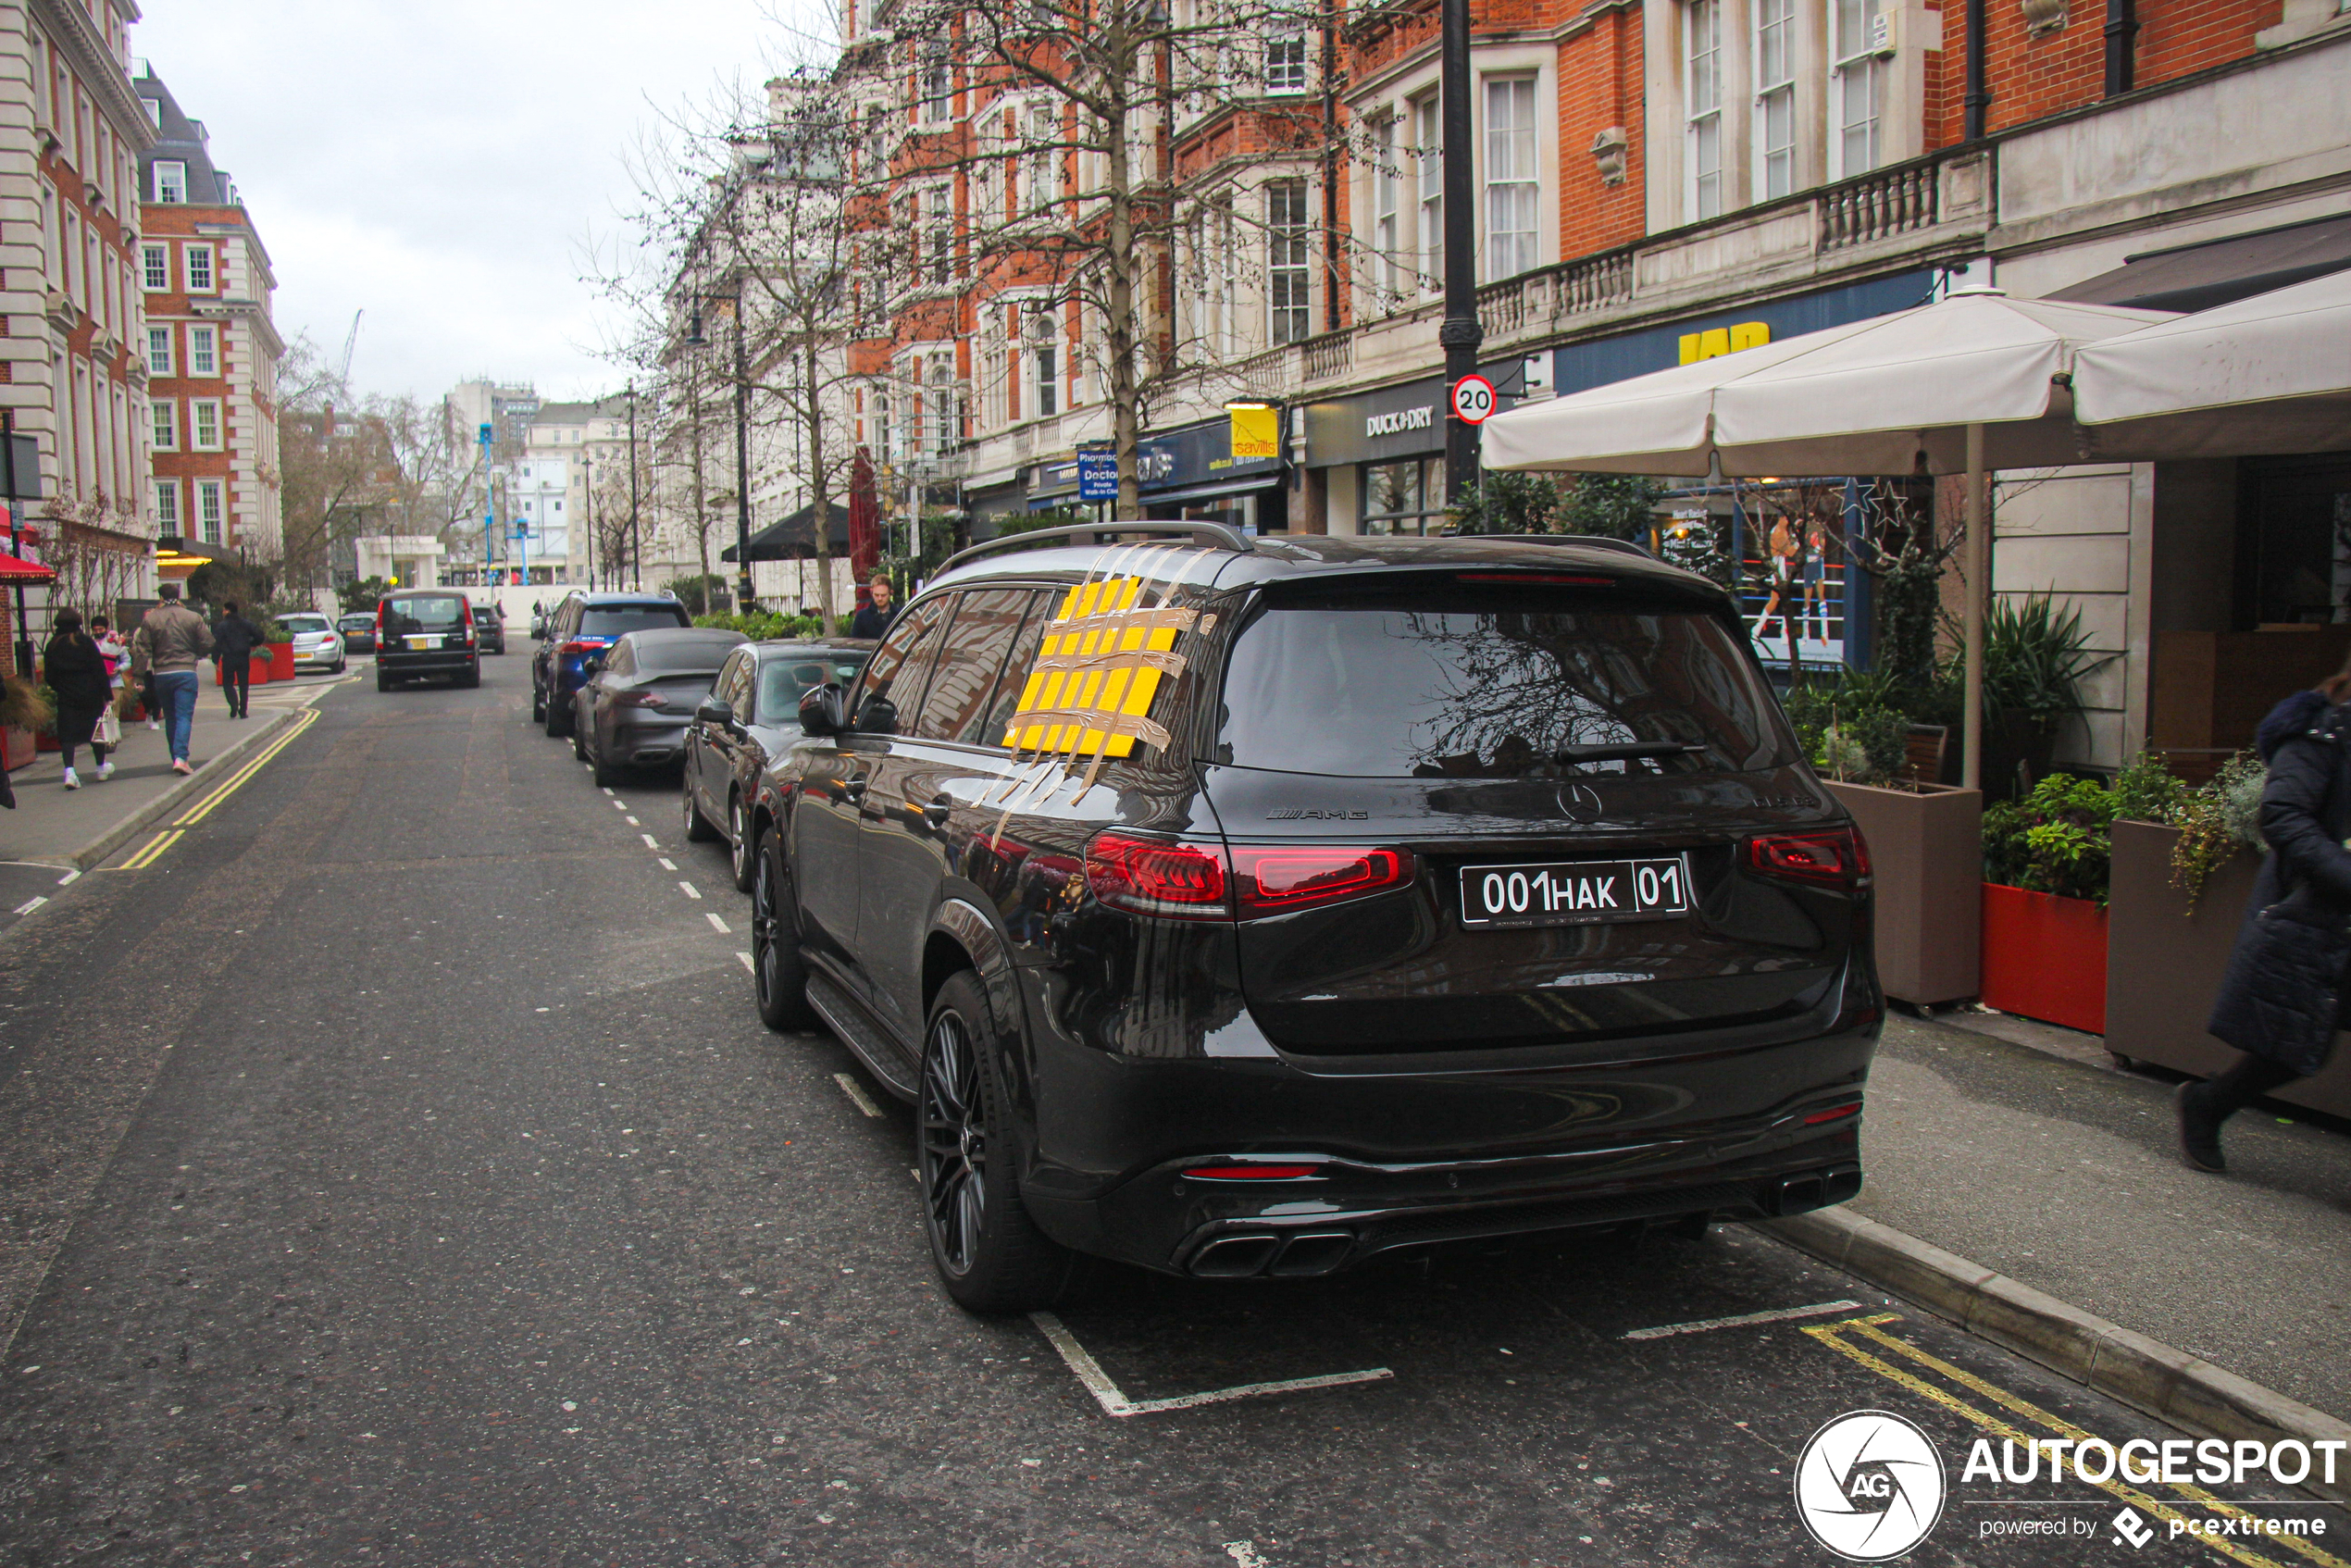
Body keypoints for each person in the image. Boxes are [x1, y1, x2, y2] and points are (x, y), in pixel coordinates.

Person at [2177, 666, 2351, 1172]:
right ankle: (2208, 1104)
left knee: (2301, 1038)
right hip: (2319, 915)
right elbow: (2283, 816)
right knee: (2291, 1046)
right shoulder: (2322, 733)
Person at [131, 583, 212, 775]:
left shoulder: (151, 619)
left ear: (160, 597)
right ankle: (181, 757)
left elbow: (141, 650)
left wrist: (139, 676)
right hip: (186, 671)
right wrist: (196, 654)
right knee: (184, 715)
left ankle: (174, 756)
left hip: (162, 674)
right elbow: (208, 642)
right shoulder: (192, 617)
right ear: (179, 595)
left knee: (171, 717)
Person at [44, 608, 113, 788]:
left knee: (67, 735)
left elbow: (49, 676)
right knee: (95, 731)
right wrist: (107, 694)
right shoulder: (85, 642)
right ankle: (100, 768)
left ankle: (70, 772)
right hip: (90, 693)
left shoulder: (52, 645)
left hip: (67, 695)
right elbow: (99, 669)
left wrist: (61, 688)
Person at [210, 599, 261, 718]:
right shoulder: (246, 623)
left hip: (228, 657)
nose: (222, 612)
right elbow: (259, 635)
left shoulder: (222, 626)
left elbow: (217, 643)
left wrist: (215, 659)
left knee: (227, 683)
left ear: (227, 611)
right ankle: (243, 711)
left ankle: (233, 705)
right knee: (244, 685)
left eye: (223, 610)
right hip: (243, 657)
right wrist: (251, 643)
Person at [849, 575, 897, 640]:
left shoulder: (900, 615)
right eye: (877, 595)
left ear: (891, 593)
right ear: (871, 592)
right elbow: (855, 641)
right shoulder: (862, 617)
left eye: (883, 595)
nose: (880, 598)